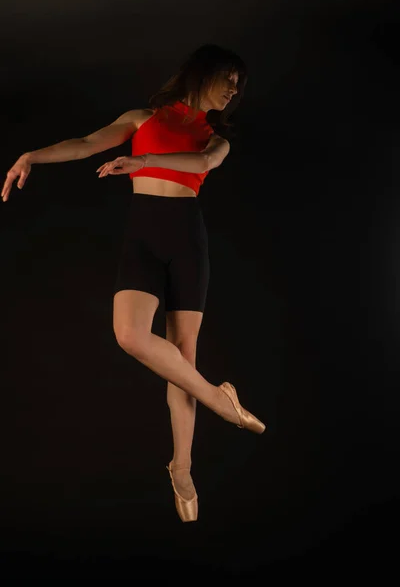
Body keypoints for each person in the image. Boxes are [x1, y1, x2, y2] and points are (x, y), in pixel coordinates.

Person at [1, 43, 266, 523]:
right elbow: (84, 143)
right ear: (200, 74)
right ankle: (218, 399)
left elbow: (202, 165)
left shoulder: (216, 139)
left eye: (237, 86)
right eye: (227, 78)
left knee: (181, 357)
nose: (232, 90)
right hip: (144, 235)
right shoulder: (141, 119)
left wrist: (143, 164)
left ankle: (181, 469)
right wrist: (31, 156)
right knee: (131, 336)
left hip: (187, 237)